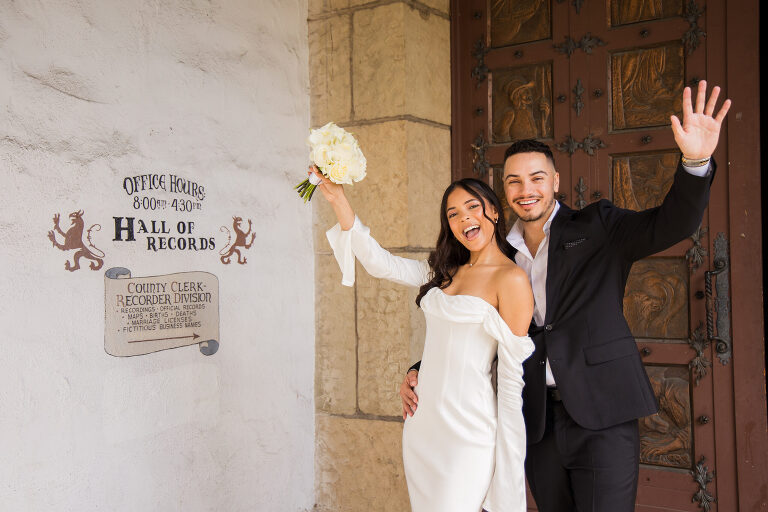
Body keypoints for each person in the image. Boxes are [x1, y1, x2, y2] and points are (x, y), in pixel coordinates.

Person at [401, 80, 730, 511]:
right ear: (504, 190)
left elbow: (672, 224)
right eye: (515, 182)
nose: (526, 190)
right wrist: (421, 369)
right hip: (534, 418)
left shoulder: (599, 226)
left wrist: (696, 160)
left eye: (537, 177)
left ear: (555, 180)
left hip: (603, 413)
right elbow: (475, 321)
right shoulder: (494, 253)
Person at [315, 170, 535, 512]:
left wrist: (508, 458)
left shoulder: (512, 279)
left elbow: (510, 377)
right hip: (423, 423)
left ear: (493, 210)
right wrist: (337, 199)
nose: (464, 218)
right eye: (453, 214)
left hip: (469, 429)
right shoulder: (444, 273)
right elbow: (379, 263)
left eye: (472, 207)